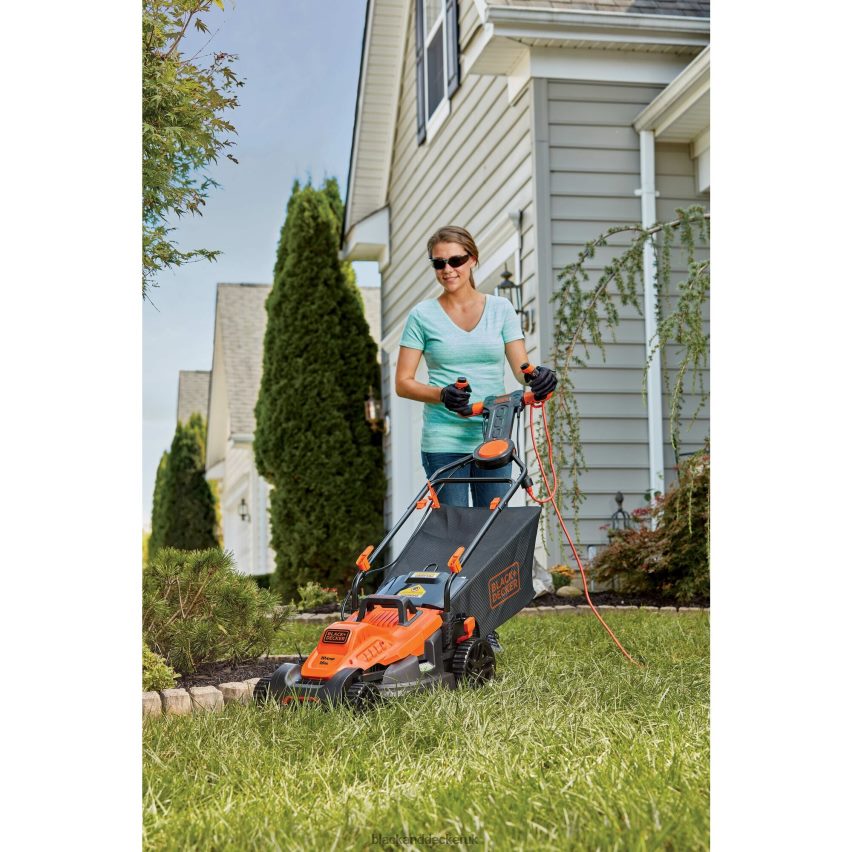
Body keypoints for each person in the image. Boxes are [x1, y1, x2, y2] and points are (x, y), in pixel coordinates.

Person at [395, 225, 558, 509]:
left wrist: (540, 377)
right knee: (454, 527)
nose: (448, 269)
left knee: (492, 525)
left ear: (472, 259)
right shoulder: (422, 316)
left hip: (493, 437)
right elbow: (403, 383)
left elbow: (522, 368)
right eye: (439, 263)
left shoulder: (501, 309)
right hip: (443, 440)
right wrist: (442, 394)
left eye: (455, 260)